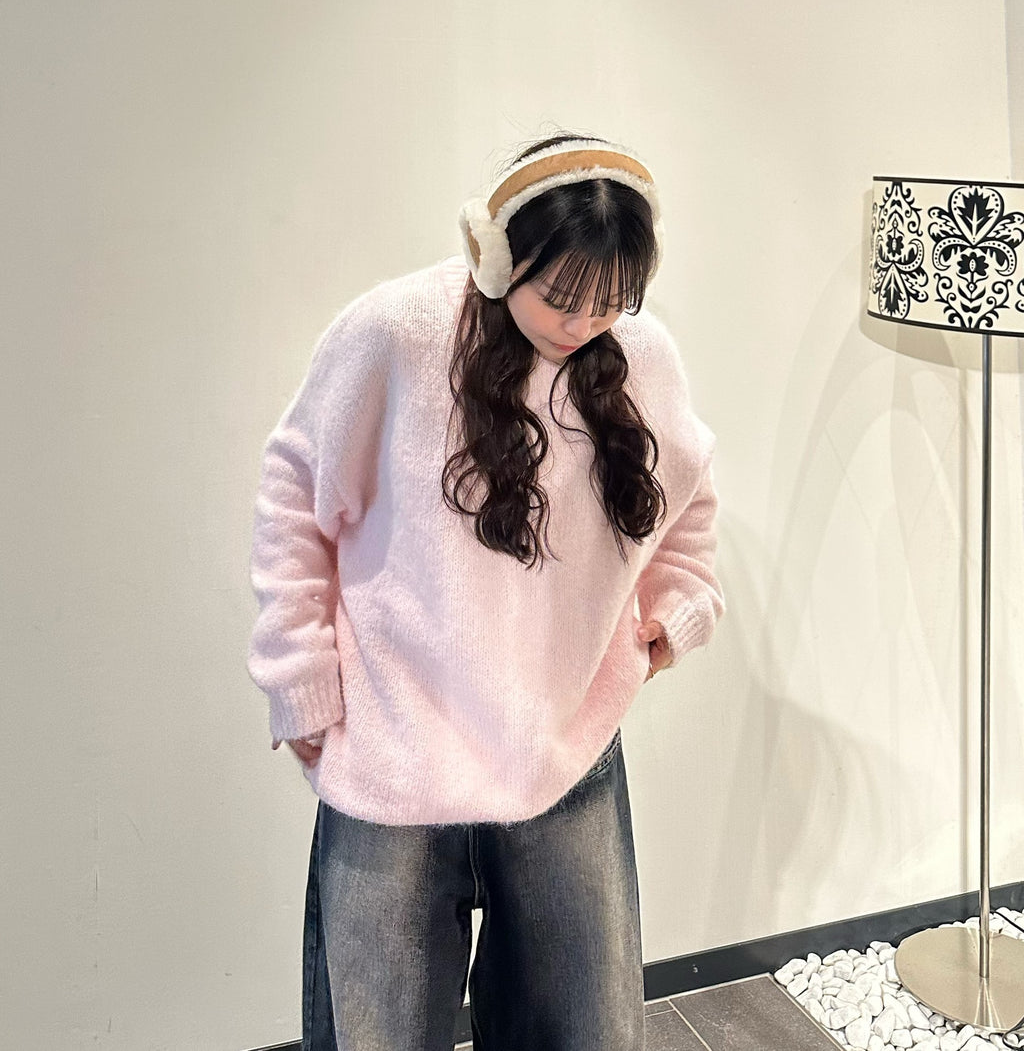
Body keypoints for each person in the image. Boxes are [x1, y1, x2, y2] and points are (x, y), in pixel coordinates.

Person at [246, 132, 725, 1051]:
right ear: (497, 254)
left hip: (566, 738)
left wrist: (678, 608)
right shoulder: (395, 332)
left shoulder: (641, 353)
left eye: (610, 299)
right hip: (393, 742)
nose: (582, 324)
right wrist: (298, 676)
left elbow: (690, 492)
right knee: (380, 1034)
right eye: (562, 297)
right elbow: (294, 496)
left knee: (588, 1031)